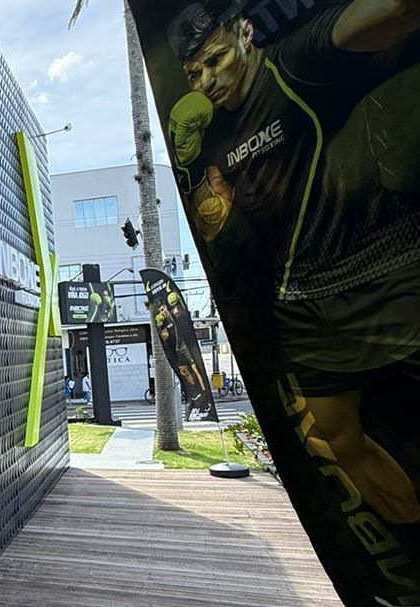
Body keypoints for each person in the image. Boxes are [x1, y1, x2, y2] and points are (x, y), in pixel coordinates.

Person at [168, 0, 420, 523]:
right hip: (301, 301)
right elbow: (215, 224)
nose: (207, 81)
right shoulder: (213, 129)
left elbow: (390, 12)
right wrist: (202, 188)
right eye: (194, 73)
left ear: (245, 33)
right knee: (335, 440)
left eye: (215, 60)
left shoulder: (293, 63)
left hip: (383, 269)